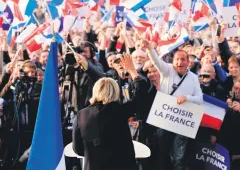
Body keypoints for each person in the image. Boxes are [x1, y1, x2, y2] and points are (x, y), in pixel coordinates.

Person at [72, 53, 147, 170]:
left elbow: (78, 148)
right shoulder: (119, 110)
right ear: (115, 92)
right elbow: (141, 95)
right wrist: (133, 71)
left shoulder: (81, 114)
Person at [146, 41, 203, 170]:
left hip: (182, 123)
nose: (179, 62)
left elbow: (200, 99)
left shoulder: (193, 78)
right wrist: (150, 49)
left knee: (179, 157)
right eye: (177, 59)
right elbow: (156, 61)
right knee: (162, 153)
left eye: (183, 59)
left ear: (188, 62)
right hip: (165, 121)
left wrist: (187, 98)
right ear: (173, 61)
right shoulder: (167, 70)